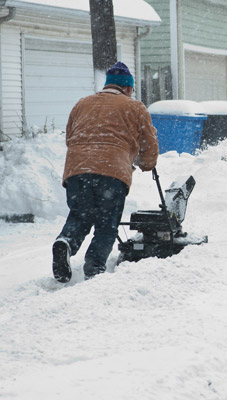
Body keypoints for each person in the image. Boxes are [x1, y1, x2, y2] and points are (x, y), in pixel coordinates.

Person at [52, 61, 159, 282]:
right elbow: (149, 144)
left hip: (77, 170)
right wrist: (145, 163)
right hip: (112, 172)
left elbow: (70, 136)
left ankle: (66, 242)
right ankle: (94, 267)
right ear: (128, 88)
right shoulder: (135, 107)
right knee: (106, 224)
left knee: (80, 216)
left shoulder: (82, 104)